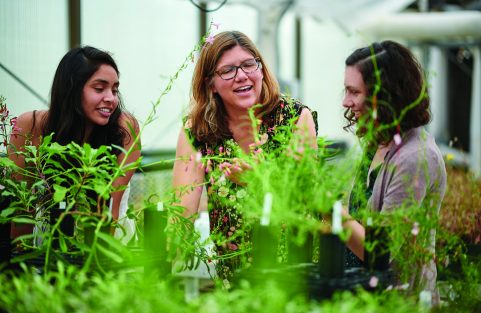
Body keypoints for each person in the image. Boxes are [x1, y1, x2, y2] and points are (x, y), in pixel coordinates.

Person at [172, 31, 318, 280]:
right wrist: (170, 262)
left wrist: (259, 181)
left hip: (294, 265)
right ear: (211, 83)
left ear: (261, 70)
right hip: (234, 269)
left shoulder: (294, 118)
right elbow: (183, 211)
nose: (242, 76)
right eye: (227, 70)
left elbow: (306, 198)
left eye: (249, 65)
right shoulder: (198, 130)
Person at [341, 40, 446, 299]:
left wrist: (331, 213)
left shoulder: (415, 158)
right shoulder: (379, 141)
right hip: (364, 296)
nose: (345, 102)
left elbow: (381, 252)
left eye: (354, 92)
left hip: (400, 304)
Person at [8, 46, 141, 244]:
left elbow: (109, 214)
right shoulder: (31, 126)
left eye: (114, 90)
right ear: (72, 88)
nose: (111, 99)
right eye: (99, 88)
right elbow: (21, 211)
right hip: (49, 246)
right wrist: (21, 268)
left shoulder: (124, 128)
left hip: (110, 247)